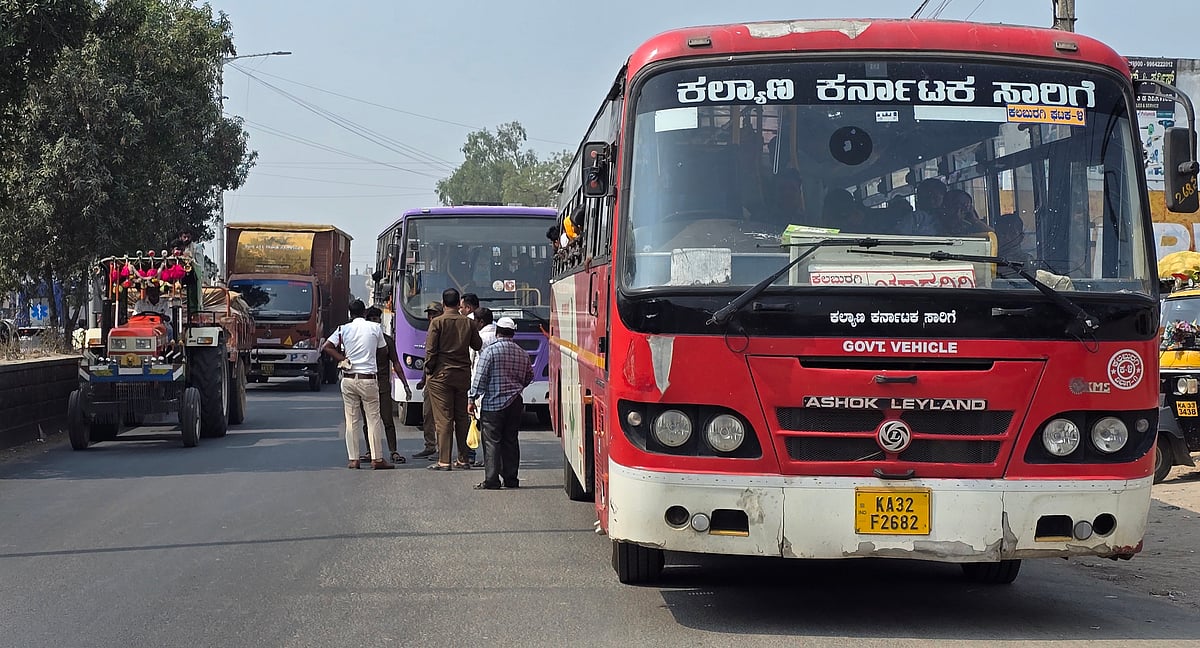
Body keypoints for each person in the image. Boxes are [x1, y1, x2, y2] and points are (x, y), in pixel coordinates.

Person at [321, 299, 395, 470]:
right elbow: (382, 350)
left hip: (348, 378)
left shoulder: (343, 329)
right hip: (368, 378)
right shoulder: (375, 328)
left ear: (350, 314)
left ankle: (354, 459)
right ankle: (377, 459)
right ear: (364, 313)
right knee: (373, 419)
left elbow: (327, 346)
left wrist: (343, 359)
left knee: (351, 420)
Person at [468, 317, 534, 490]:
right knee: (511, 440)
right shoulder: (522, 353)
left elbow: (479, 378)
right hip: (515, 402)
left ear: (497, 331)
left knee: (491, 442)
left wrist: (472, 398)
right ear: (513, 333)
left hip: (492, 404)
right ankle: (511, 479)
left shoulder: (490, 352)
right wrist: (516, 387)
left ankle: (492, 480)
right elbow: (529, 377)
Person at [424, 288, 482, 471]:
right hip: (462, 374)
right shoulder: (468, 323)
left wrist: (429, 370)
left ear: (443, 304)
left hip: (440, 376)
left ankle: (444, 460)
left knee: (443, 419)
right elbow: (478, 345)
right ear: (459, 304)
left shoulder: (437, 323)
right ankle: (463, 459)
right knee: (462, 418)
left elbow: (431, 351)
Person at [360, 306, 411, 464]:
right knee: (368, 422)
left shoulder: (387, 340)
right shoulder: (363, 340)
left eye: (377, 319)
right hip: (367, 385)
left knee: (387, 420)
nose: (375, 322)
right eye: (372, 319)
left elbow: (396, 362)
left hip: (382, 387)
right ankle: (371, 451)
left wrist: (405, 384)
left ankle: (393, 451)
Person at [414, 301, 444, 459]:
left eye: (434, 313)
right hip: (430, 378)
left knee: (440, 418)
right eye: (429, 314)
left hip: (440, 378)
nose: (430, 316)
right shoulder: (431, 330)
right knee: (427, 415)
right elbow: (428, 358)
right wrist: (423, 378)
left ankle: (441, 449)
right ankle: (430, 445)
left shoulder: (443, 330)